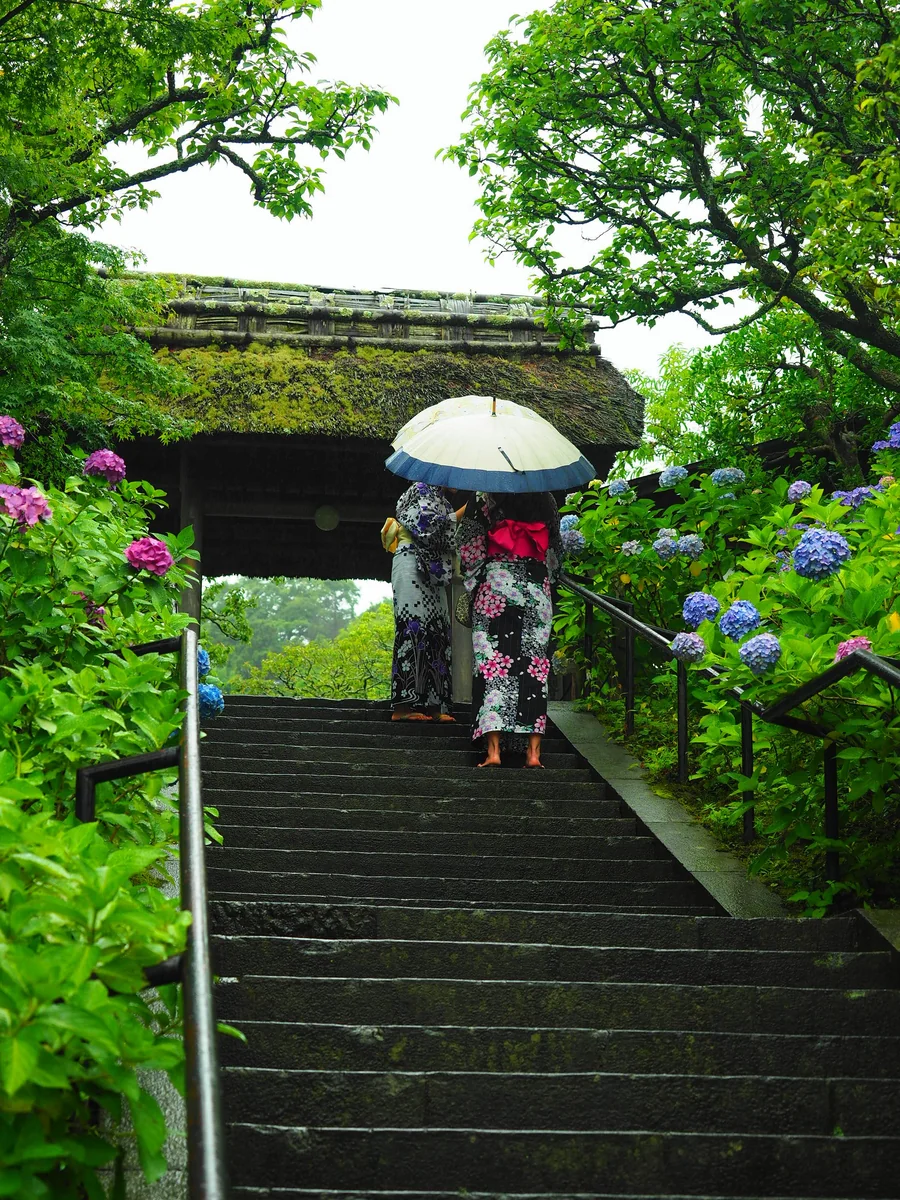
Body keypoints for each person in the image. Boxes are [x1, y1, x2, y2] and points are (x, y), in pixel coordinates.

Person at [456, 491, 561, 766]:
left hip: (496, 584)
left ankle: (494, 752)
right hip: (536, 586)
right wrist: (542, 575)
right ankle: (534, 753)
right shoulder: (546, 498)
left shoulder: (484, 495)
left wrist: (477, 578)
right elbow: (556, 552)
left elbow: (467, 545)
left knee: (493, 665)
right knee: (534, 666)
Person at [389, 482, 465, 722]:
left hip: (434, 571)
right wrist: (467, 510)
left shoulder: (443, 500)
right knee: (414, 627)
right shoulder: (421, 489)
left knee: (438, 630)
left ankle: (435, 705)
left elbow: (450, 538)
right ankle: (404, 705)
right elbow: (427, 528)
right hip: (411, 560)